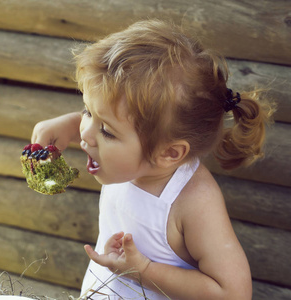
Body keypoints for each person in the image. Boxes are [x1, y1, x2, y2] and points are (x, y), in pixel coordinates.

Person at [31, 19, 274, 300]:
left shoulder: (193, 201)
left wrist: (143, 270)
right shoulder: (137, 157)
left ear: (169, 153)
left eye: (106, 131)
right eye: (87, 111)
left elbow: (233, 293)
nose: (84, 132)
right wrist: (66, 125)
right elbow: (113, 129)